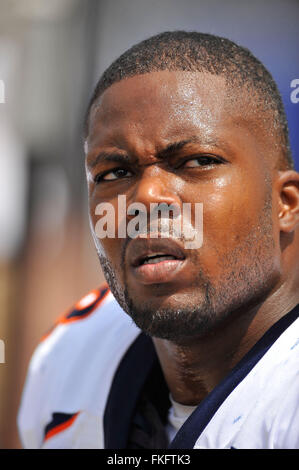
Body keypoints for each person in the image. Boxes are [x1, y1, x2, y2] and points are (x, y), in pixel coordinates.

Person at [18, 31, 299, 449]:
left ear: (285, 204)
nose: (146, 197)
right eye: (114, 173)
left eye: (197, 161)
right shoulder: (70, 357)